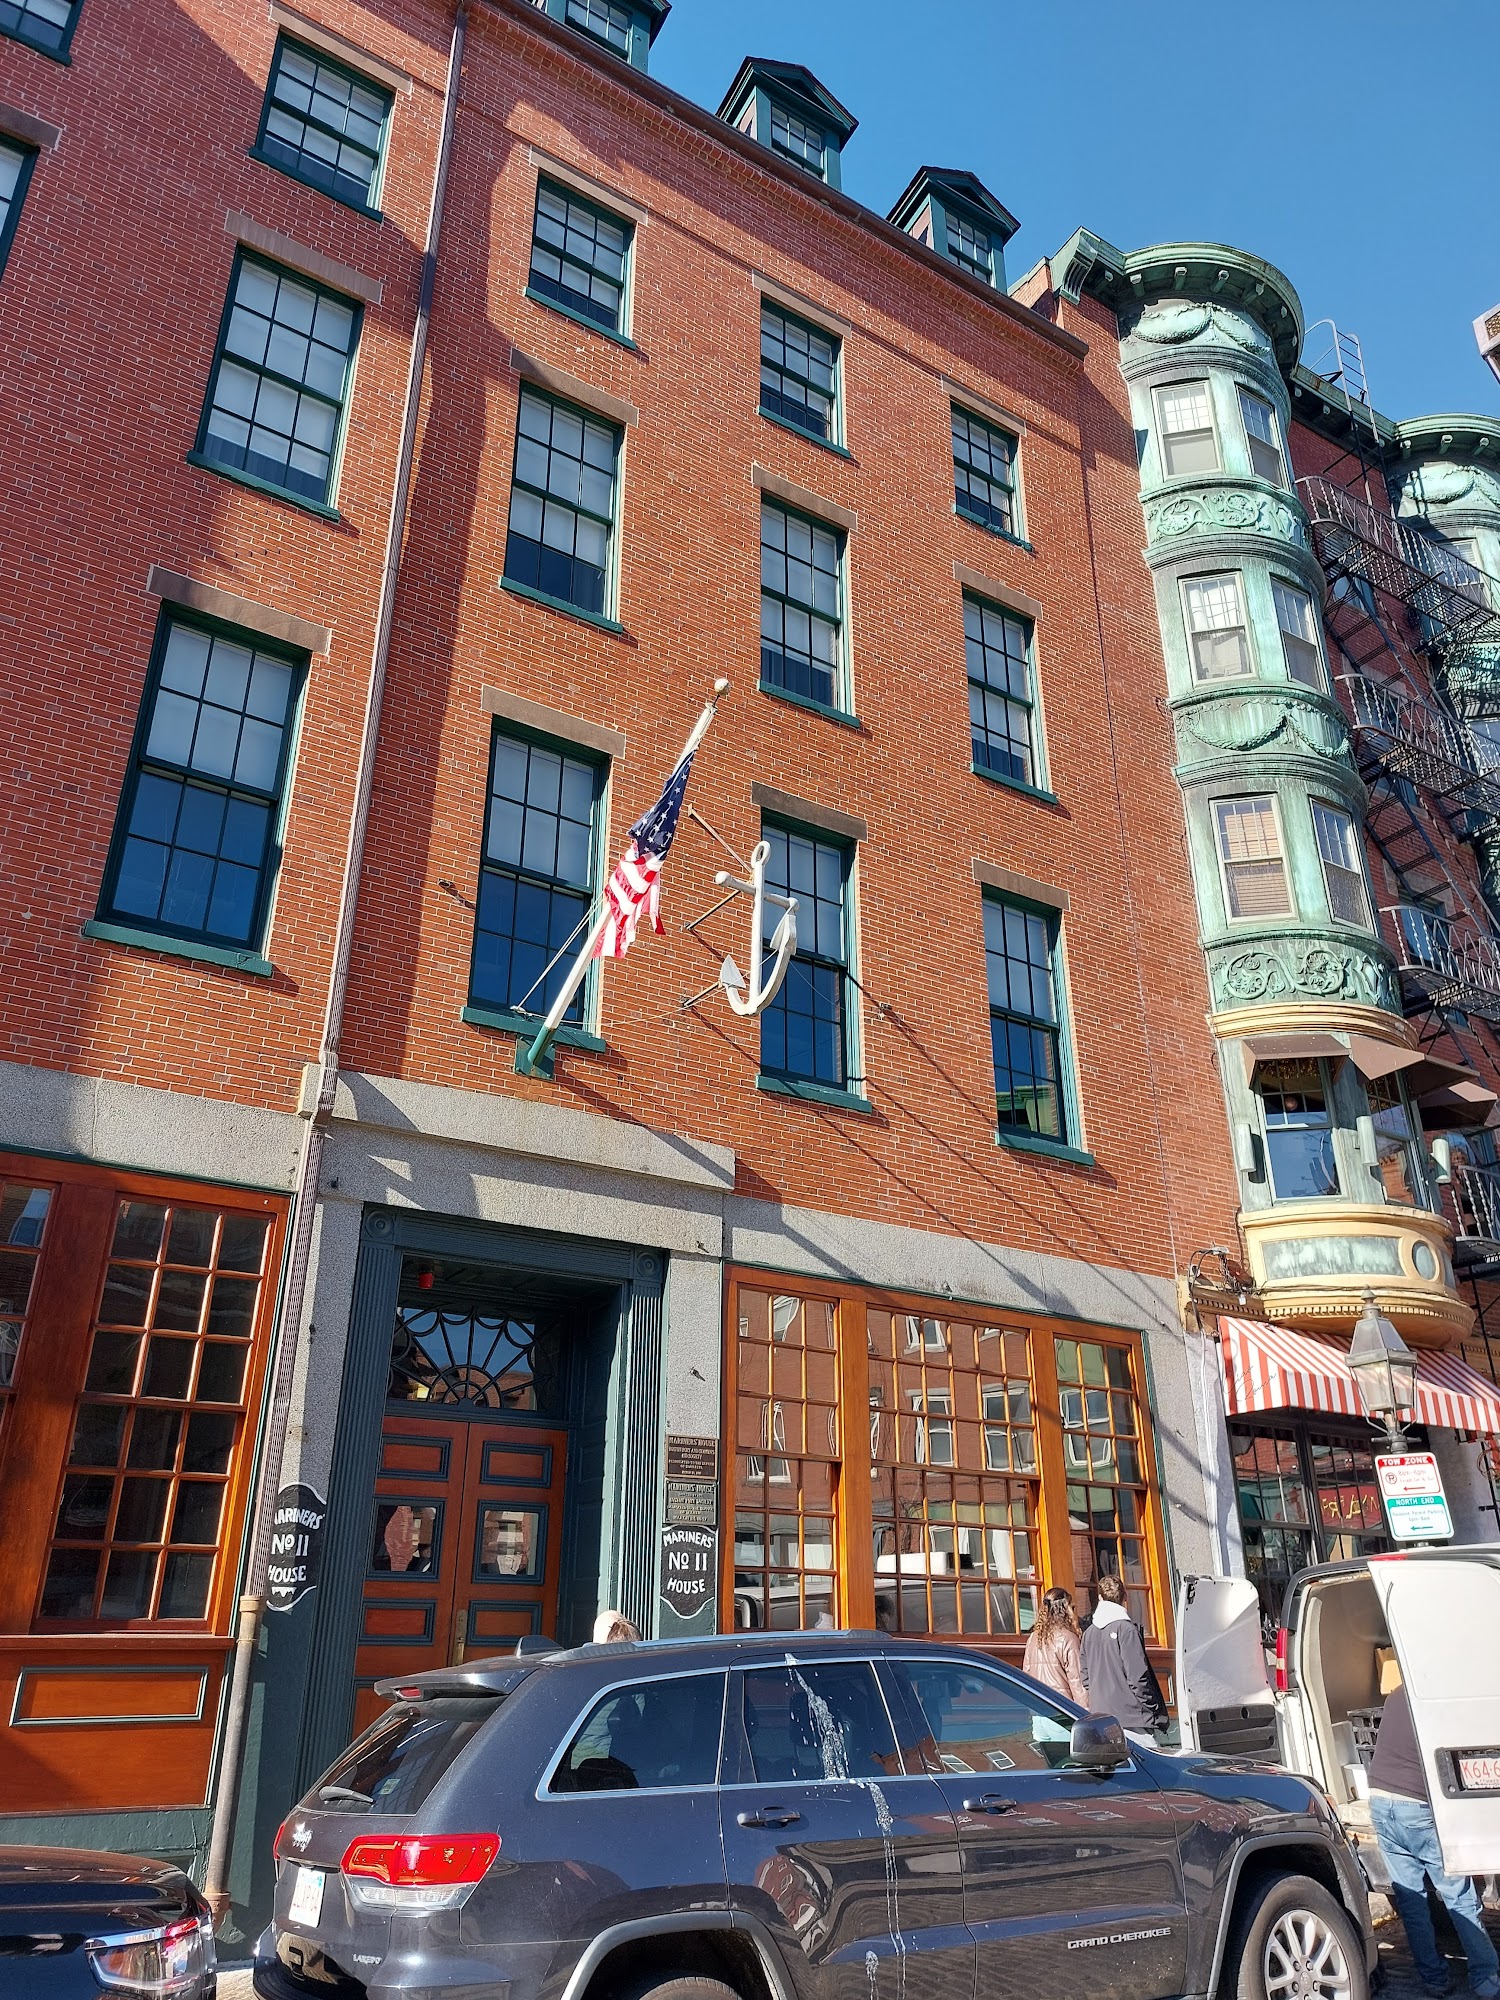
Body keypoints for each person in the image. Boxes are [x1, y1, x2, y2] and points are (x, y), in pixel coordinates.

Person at [1369, 1678, 1500, 1998]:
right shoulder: (1440, 1699)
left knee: (1411, 1902)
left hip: (1380, 1801)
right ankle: (1486, 1979)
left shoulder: (1396, 1695)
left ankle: (1434, 1979)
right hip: (1417, 1806)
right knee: (1459, 1896)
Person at [1080, 1573, 1167, 1736]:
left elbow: (1086, 1678)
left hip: (1101, 1716)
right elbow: (1137, 1677)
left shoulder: (1088, 1633)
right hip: (1133, 1717)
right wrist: (1153, 1707)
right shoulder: (1127, 1630)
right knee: (1147, 1752)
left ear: (1100, 1598)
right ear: (1124, 1597)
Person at [1023, 1586, 1089, 1706]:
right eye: (1072, 1608)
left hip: (1038, 1706)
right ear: (1064, 1610)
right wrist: (1086, 1712)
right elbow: (1077, 1682)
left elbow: (1026, 1675)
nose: (1074, 1613)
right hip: (1063, 1708)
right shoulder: (1068, 1639)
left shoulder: (1033, 1638)